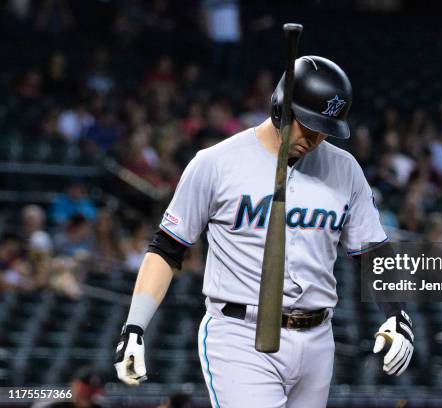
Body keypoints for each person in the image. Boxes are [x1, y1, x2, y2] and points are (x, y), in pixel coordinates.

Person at [114, 56, 414, 408]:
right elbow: (167, 248)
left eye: (325, 130)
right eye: (308, 125)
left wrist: (398, 313)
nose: (315, 138)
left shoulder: (344, 168)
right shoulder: (216, 163)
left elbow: (373, 253)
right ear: (279, 108)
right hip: (241, 333)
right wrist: (134, 327)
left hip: (318, 337)